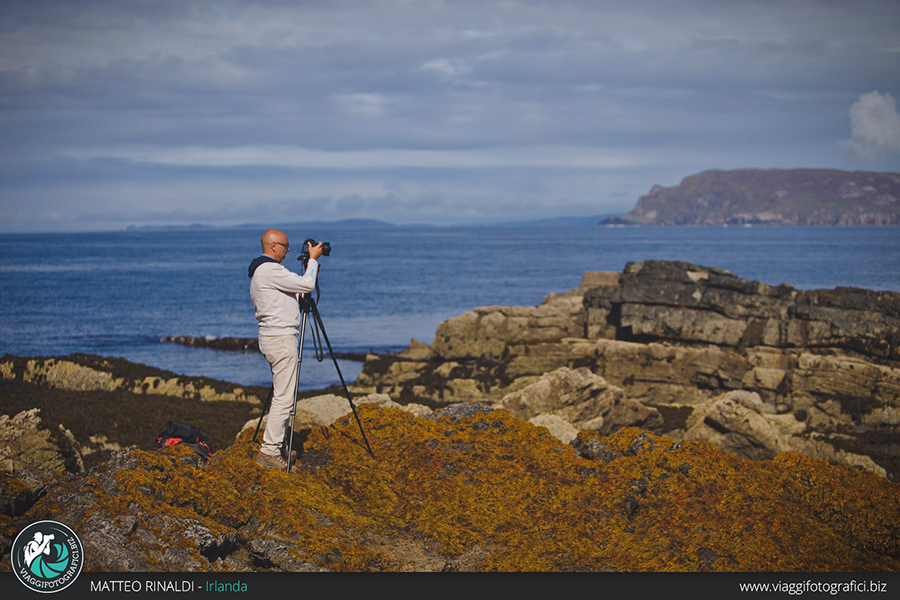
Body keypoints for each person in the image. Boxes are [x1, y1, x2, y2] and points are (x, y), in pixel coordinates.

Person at [248, 229, 324, 470]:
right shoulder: (270, 270)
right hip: (281, 339)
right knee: (284, 397)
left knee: (280, 392)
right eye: (285, 245)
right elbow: (307, 285)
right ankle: (269, 452)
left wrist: (306, 277)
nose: (288, 250)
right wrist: (313, 260)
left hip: (271, 337)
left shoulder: (262, 272)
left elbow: (298, 292)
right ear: (272, 246)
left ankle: (276, 444)